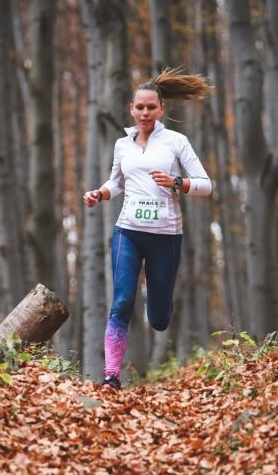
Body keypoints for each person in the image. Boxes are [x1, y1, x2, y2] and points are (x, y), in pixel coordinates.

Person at [83, 69, 214, 390]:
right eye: (139, 107)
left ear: (161, 110)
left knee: (158, 319)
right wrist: (99, 193)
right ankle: (112, 377)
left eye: (151, 107)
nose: (145, 113)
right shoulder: (122, 145)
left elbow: (206, 185)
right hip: (128, 231)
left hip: (166, 237)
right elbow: (116, 183)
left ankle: (159, 300)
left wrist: (178, 182)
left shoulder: (175, 142)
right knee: (122, 302)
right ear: (131, 109)